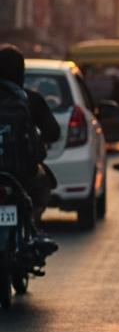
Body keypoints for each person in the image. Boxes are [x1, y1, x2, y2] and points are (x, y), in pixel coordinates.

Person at [0, 45, 61, 229]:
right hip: (22, 176)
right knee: (43, 185)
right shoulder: (29, 99)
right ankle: (33, 226)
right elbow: (54, 132)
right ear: (22, 72)